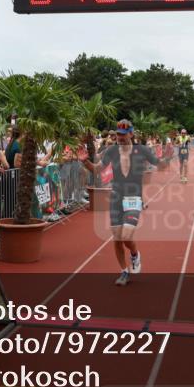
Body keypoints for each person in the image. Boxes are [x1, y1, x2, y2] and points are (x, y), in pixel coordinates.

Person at [78, 119, 159, 286]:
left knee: (126, 235)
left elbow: (158, 163)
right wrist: (85, 161)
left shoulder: (142, 150)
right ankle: (124, 271)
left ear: (131, 133)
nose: (120, 138)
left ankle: (135, 254)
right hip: (116, 197)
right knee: (117, 237)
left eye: (123, 134)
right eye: (118, 135)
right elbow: (97, 169)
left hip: (133, 197)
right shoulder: (111, 151)